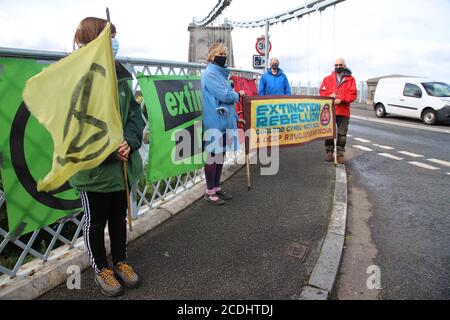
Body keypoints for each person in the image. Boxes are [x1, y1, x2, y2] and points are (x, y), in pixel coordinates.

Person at [70, 17, 145, 297]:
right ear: (94, 40)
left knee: (117, 217)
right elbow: (77, 126)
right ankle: (101, 267)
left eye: (114, 35)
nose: (114, 41)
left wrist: (130, 141)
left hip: (121, 167)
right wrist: (109, 149)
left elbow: (134, 116)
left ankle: (121, 261)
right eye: (109, 35)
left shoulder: (121, 76)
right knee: (95, 221)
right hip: (93, 170)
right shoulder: (77, 77)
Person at [201, 43, 246, 205]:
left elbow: (226, 100)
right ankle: (209, 191)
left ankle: (216, 187)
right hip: (214, 120)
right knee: (213, 155)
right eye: (220, 53)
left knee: (220, 155)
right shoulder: (211, 74)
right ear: (212, 56)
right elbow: (226, 96)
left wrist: (236, 117)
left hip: (224, 119)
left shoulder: (220, 74)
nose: (223, 56)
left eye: (224, 53)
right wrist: (238, 95)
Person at [320, 58, 357, 164]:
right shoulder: (327, 79)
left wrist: (341, 99)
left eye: (340, 65)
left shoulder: (351, 79)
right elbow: (322, 93)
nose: (338, 67)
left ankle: (339, 154)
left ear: (344, 65)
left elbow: (353, 94)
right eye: (336, 65)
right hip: (330, 110)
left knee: (342, 134)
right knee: (328, 133)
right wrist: (329, 96)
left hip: (343, 111)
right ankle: (329, 152)